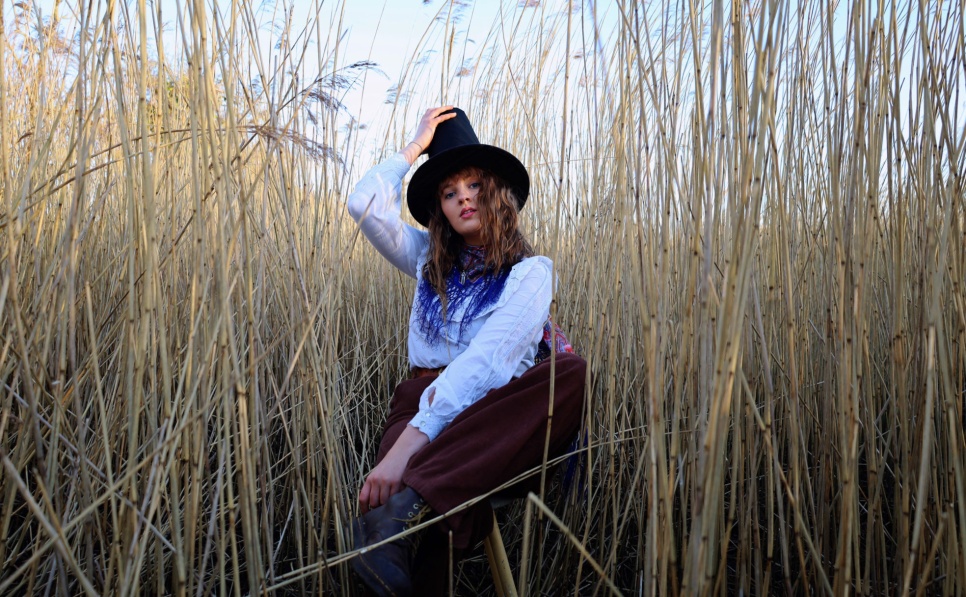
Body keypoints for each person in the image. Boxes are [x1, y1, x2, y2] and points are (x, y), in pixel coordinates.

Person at [345, 105, 587, 596]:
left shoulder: (530, 273)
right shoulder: (426, 262)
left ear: (496, 191)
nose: (464, 200)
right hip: (422, 406)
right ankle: (408, 513)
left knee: (570, 374)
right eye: (449, 193)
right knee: (431, 533)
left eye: (474, 185)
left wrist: (404, 456)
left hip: (486, 420)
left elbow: (488, 363)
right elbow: (364, 204)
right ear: (441, 208)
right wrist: (413, 147)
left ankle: (406, 504)